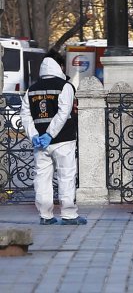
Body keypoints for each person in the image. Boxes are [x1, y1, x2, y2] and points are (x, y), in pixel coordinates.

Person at [20, 51, 85, 225]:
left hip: (40, 143)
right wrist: (51, 134)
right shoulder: (65, 86)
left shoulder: (31, 89)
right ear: (60, 66)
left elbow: (25, 115)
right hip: (63, 140)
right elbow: (64, 113)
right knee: (66, 176)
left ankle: (45, 215)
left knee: (42, 179)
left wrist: (34, 135)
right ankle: (69, 215)